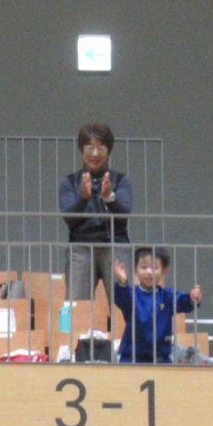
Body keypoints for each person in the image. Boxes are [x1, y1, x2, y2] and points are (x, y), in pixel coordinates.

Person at [60, 123, 132, 298]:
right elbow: (69, 218)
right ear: (81, 150)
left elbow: (123, 215)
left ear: (109, 151)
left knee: (123, 305)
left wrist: (109, 197)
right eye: (90, 148)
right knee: (77, 306)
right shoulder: (69, 182)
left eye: (100, 148)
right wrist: (83, 198)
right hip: (81, 248)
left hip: (115, 246)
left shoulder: (121, 180)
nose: (95, 154)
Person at [111, 248, 201, 365]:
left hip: (161, 359)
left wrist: (192, 298)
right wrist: (123, 281)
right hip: (131, 358)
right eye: (143, 267)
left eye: (154, 268)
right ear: (136, 270)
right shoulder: (132, 294)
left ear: (164, 270)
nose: (149, 272)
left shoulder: (167, 296)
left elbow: (184, 302)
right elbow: (121, 297)